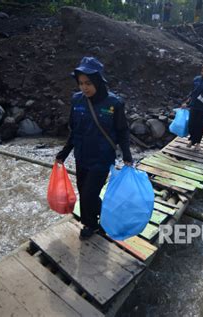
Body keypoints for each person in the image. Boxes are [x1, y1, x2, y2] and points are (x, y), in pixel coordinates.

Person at [56, 57, 133, 240]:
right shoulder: (77, 101)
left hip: (102, 158)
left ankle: (92, 224)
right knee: (84, 192)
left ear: (98, 80)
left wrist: (127, 156)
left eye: (88, 83)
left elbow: (122, 131)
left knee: (90, 193)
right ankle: (99, 218)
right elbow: (74, 131)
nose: (84, 87)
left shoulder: (114, 104)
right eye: (81, 83)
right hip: (81, 156)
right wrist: (64, 153)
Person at [181, 63, 203, 151]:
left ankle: (197, 143)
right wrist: (186, 102)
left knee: (200, 126)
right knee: (191, 125)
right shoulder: (196, 79)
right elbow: (192, 92)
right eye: (202, 71)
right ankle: (192, 139)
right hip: (194, 105)